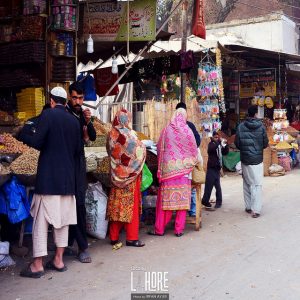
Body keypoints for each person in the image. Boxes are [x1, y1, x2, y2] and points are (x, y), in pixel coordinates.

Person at [19, 87, 81, 278]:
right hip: (68, 181)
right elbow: (78, 150)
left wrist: (23, 134)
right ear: (65, 101)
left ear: (52, 101)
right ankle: (58, 260)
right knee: (63, 222)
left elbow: (37, 142)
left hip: (49, 179)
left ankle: (37, 264)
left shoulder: (48, 115)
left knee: (41, 222)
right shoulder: (74, 121)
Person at [149, 108, 198, 237]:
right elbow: (194, 149)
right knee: (181, 202)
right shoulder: (188, 131)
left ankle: (159, 229)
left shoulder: (166, 130)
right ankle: (179, 230)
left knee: (165, 202)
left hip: (168, 172)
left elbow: (160, 147)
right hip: (184, 172)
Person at [66, 81, 96, 263]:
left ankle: (81, 247)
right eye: (75, 97)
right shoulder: (65, 114)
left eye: (81, 98)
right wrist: (83, 138)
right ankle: (71, 244)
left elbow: (91, 136)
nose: (78, 101)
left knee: (78, 205)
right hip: (65, 164)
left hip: (78, 165)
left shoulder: (82, 115)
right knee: (69, 204)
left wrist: (88, 121)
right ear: (70, 97)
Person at [106, 109, 146, 247]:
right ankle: (131, 237)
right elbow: (140, 152)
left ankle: (114, 237)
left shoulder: (111, 134)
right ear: (127, 119)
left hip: (116, 176)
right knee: (131, 207)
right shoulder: (130, 135)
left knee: (116, 206)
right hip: (129, 177)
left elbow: (110, 152)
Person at [234, 105, 269, 218]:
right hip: (257, 160)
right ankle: (256, 210)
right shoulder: (261, 127)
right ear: (255, 114)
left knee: (247, 183)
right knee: (257, 184)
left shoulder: (240, 126)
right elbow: (265, 143)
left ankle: (248, 206)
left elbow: (237, 143)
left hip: (245, 159)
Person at [175, 102, 201, 217]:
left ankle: (180, 210)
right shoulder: (189, 125)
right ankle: (193, 211)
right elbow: (197, 141)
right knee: (191, 186)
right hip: (188, 163)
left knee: (180, 187)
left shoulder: (171, 126)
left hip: (175, 165)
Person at [201, 131, 229, 209]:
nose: (217, 139)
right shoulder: (211, 144)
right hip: (211, 168)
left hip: (217, 168)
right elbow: (211, 149)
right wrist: (219, 142)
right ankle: (205, 201)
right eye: (215, 137)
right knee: (208, 186)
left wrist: (226, 145)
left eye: (218, 137)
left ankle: (219, 202)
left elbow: (225, 152)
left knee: (218, 186)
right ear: (212, 138)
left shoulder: (219, 146)